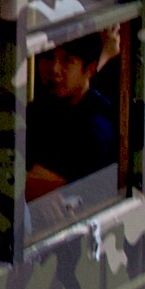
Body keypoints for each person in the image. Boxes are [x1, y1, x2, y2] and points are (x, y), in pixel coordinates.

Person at [24, 31, 118, 200]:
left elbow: (36, 188)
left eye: (67, 60)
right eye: (48, 57)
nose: (54, 69)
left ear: (89, 69)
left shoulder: (94, 125)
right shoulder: (42, 107)